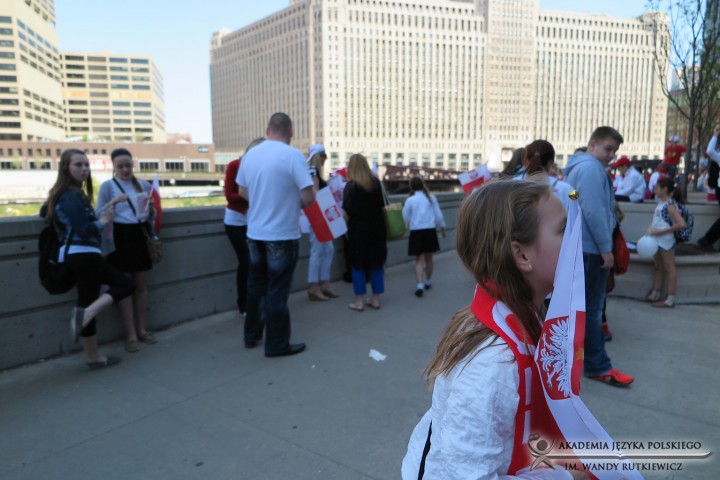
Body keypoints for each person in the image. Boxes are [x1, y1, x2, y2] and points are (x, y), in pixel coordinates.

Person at [402, 180, 586, 480]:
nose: (576, 238)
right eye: (563, 229)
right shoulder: (491, 362)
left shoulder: (526, 316)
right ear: (522, 255)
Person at [42, 148, 135, 369]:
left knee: (87, 300)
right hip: (84, 254)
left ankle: (93, 357)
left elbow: (45, 213)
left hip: (78, 255)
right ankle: (87, 315)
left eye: (86, 165)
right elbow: (84, 230)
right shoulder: (70, 194)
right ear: (66, 167)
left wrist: (105, 211)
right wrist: (103, 222)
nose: (84, 169)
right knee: (125, 285)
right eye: (78, 165)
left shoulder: (67, 193)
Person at [236, 113, 315, 357]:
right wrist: (289, 204)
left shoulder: (250, 155)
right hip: (281, 233)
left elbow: (242, 191)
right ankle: (276, 344)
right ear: (290, 131)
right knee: (277, 291)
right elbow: (309, 196)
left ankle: (251, 335)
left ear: (267, 129)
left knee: (255, 286)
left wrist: (263, 202)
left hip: (255, 233)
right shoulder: (292, 155)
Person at [564, 126, 634, 387]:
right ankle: (598, 365)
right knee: (592, 310)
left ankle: (574, 360)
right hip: (592, 250)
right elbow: (594, 211)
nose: (611, 155)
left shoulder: (576, 168)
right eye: (608, 149)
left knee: (579, 309)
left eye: (614, 151)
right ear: (592, 144)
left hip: (581, 246)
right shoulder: (592, 170)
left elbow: (575, 201)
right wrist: (606, 249)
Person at [96, 148, 157, 353]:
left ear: (133, 164)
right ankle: (130, 335)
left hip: (139, 235)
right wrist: (113, 202)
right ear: (113, 167)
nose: (125, 169)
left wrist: (151, 209)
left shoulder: (144, 185)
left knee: (141, 286)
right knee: (125, 288)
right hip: (119, 238)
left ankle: (142, 330)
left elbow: (151, 216)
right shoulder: (108, 186)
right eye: (120, 166)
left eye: (128, 165)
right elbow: (97, 214)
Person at [224, 137, 265, 320]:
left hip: (253, 220)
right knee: (246, 261)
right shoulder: (235, 166)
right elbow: (229, 195)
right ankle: (244, 305)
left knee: (258, 262)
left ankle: (257, 301)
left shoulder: (261, 169)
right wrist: (252, 196)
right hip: (235, 221)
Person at [343, 153, 387, 311]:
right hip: (377, 229)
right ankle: (376, 299)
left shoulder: (351, 186)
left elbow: (346, 212)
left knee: (358, 265)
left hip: (358, 231)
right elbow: (383, 206)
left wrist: (345, 230)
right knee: (376, 264)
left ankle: (359, 301)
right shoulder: (376, 183)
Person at [644, 178, 687, 308]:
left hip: (666, 241)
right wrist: (651, 230)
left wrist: (660, 232)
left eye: (657, 188)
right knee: (658, 266)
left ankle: (670, 299)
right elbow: (657, 220)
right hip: (657, 239)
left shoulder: (670, 205)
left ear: (665, 189)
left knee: (669, 267)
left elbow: (681, 224)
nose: (654, 190)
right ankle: (655, 293)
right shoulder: (661, 203)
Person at [402, 176, 446, 298]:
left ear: (411, 186)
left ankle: (419, 285)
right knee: (429, 259)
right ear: (422, 185)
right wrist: (442, 227)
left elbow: (404, 217)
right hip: (430, 231)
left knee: (419, 260)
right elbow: (438, 216)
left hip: (416, 232)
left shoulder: (410, 200)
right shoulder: (431, 198)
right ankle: (427, 281)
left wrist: (402, 229)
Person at [306, 143, 339, 301]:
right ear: (318, 157)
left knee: (327, 249)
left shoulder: (314, 171)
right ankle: (314, 287)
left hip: (321, 215)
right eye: (323, 156)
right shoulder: (313, 171)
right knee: (318, 251)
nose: (325, 159)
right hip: (317, 216)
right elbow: (315, 193)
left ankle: (324, 284)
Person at [524, 139, 575, 213]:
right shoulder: (567, 189)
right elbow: (575, 217)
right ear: (552, 161)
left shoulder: (515, 187)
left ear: (526, 160)